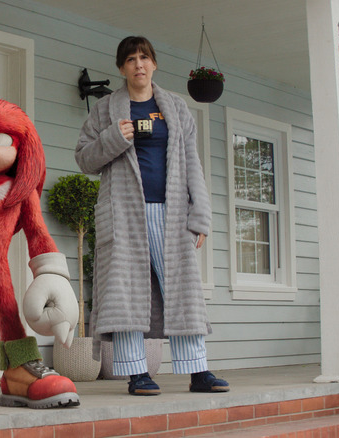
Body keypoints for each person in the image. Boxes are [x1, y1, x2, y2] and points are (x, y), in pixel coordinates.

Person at [75, 36, 229, 396]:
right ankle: (135, 372)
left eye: (144, 57)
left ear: (154, 64)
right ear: (121, 68)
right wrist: (114, 137)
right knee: (126, 292)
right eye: (130, 59)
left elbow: (193, 164)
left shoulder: (175, 108)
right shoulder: (105, 110)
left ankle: (197, 370)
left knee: (183, 290)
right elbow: (84, 159)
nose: (138, 65)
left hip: (172, 214)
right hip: (124, 215)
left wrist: (200, 216)